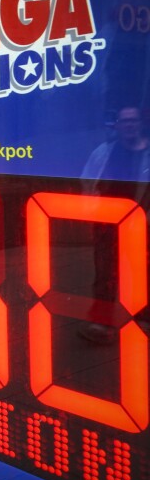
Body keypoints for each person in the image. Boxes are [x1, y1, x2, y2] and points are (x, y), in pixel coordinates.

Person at [80, 106, 150, 344]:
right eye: (125, 121)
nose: (129, 125)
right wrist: (93, 212)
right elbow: (87, 182)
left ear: (140, 123)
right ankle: (101, 323)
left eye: (134, 120)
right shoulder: (103, 153)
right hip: (107, 225)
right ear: (117, 125)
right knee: (105, 273)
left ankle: (143, 318)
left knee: (142, 273)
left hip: (143, 225)